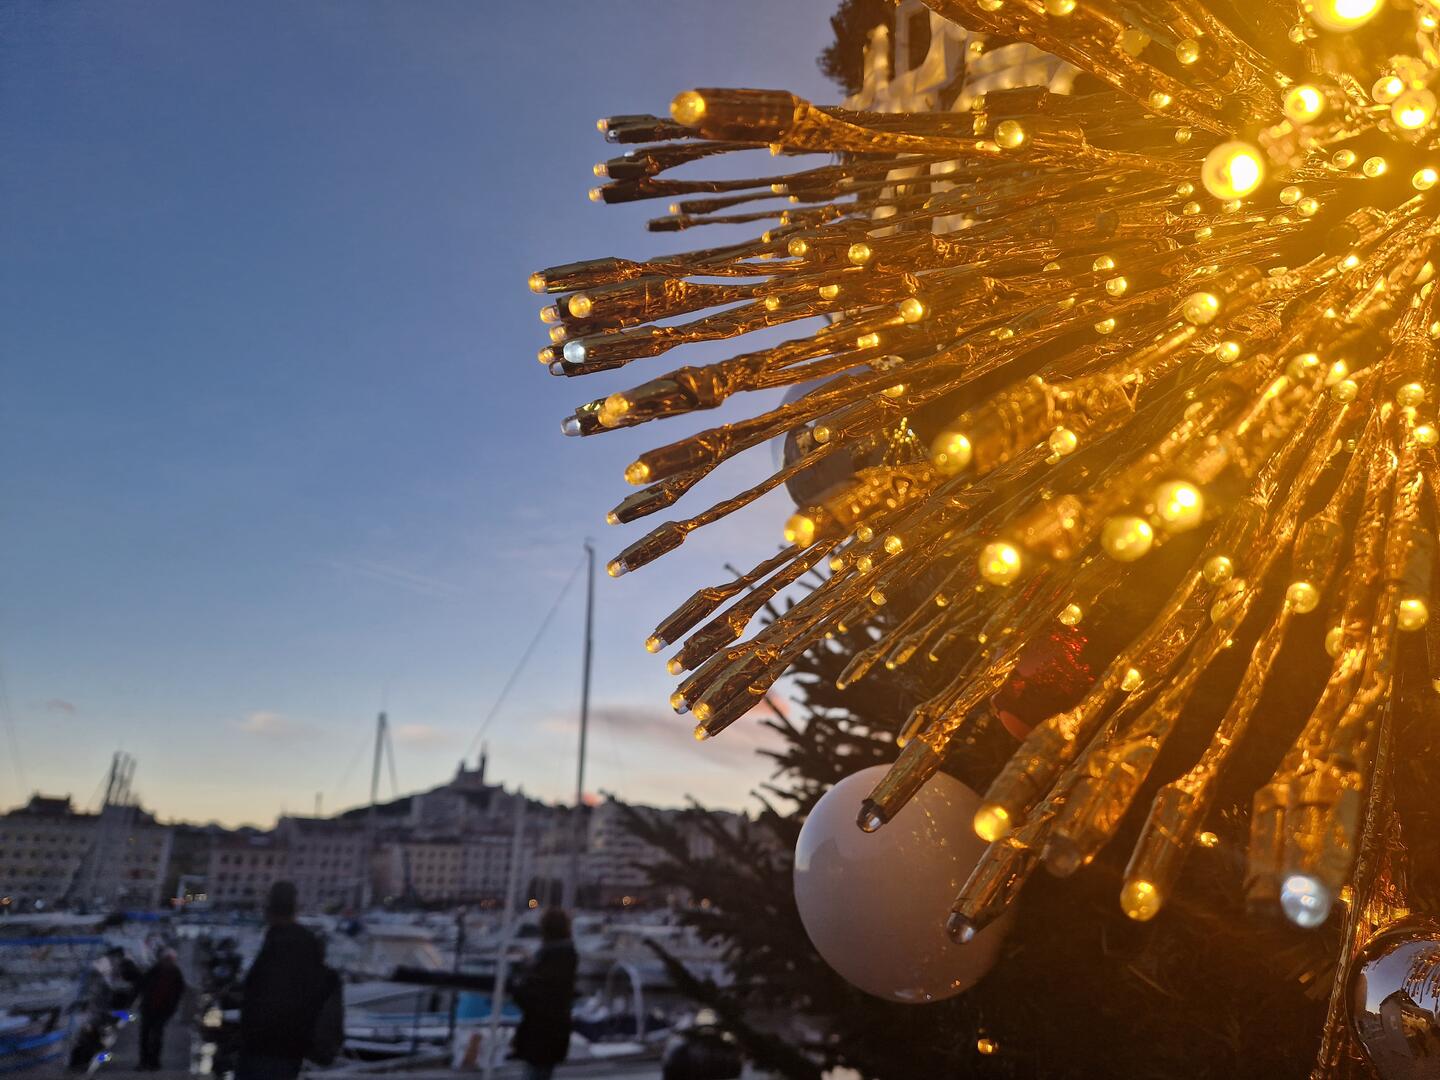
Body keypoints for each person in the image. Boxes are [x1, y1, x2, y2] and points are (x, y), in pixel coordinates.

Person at [236, 881, 329, 1080]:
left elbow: (268, 996)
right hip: (289, 1046)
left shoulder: (280, 943)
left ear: (269, 909)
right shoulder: (307, 942)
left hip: (266, 1046)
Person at [511, 907, 578, 1080]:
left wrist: (519, 985)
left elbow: (534, 994)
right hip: (555, 1029)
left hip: (540, 1030)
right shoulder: (566, 955)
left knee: (536, 1072)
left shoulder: (550, 956)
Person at [137, 948, 186, 1071]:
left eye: (170, 960)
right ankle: (144, 1061)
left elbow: (179, 991)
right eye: (166, 960)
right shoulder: (154, 971)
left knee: (156, 1036)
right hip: (149, 1008)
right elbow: (142, 984)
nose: (168, 962)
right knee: (145, 1035)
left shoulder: (176, 973)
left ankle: (154, 1062)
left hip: (163, 1009)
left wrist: (172, 1007)